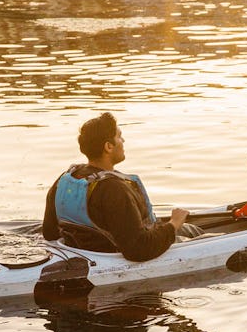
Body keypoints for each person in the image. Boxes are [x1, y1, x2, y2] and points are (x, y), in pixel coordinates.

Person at [42, 112, 199, 261]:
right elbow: (138, 250)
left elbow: (49, 233)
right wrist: (174, 223)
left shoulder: (66, 178)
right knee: (203, 237)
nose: (123, 141)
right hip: (115, 257)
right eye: (119, 136)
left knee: (190, 229)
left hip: (86, 252)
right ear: (108, 147)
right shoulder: (114, 189)